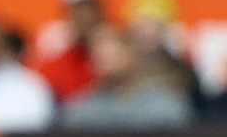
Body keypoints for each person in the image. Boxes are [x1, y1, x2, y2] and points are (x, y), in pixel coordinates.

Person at [60, 22, 197, 128]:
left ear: (132, 53)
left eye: (114, 52)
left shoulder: (164, 103)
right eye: (99, 54)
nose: (106, 57)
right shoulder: (85, 109)